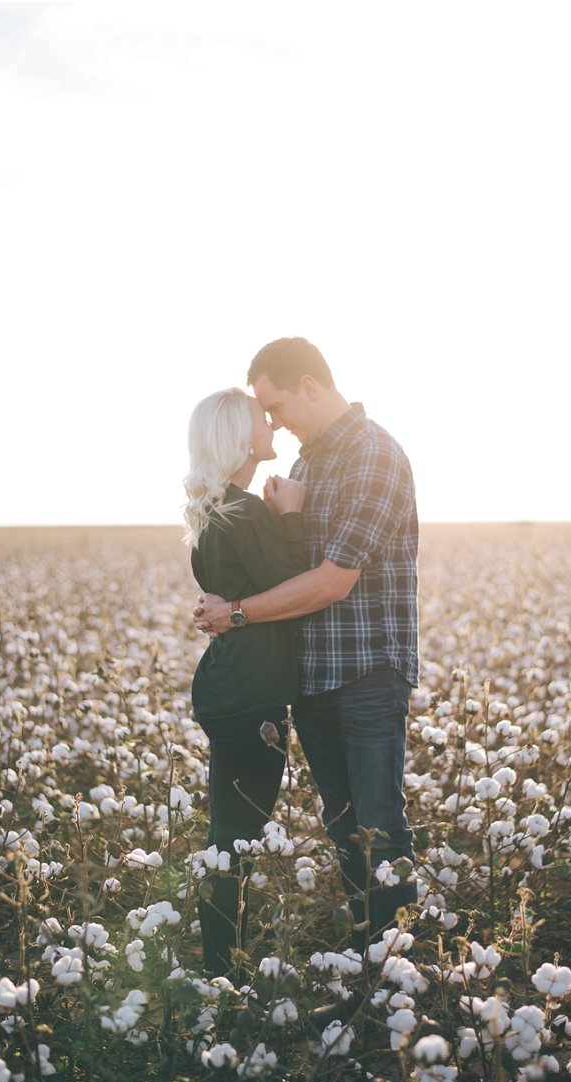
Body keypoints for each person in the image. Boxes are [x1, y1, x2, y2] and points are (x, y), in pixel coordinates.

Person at [194, 337, 420, 953]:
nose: (273, 421)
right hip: (313, 678)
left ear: (310, 388)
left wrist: (234, 614)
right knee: (346, 828)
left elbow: (331, 580)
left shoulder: (373, 455)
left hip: (368, 671)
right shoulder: (303, 466)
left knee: (378, 826)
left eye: (276, 406)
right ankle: (365, 971)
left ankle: (394, 981)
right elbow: (279, 570)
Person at [183, 387, 308, 979]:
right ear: (238, 437)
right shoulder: (246, 511)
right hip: (250, 696)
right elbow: (295, 588)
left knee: (228, 836)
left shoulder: (216, 510)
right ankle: (221, 973)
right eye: (261, 419)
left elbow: (245, 595)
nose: (272, 425)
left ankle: (220, 966)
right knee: (236, 840)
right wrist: (291, 517)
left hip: (229, 690)